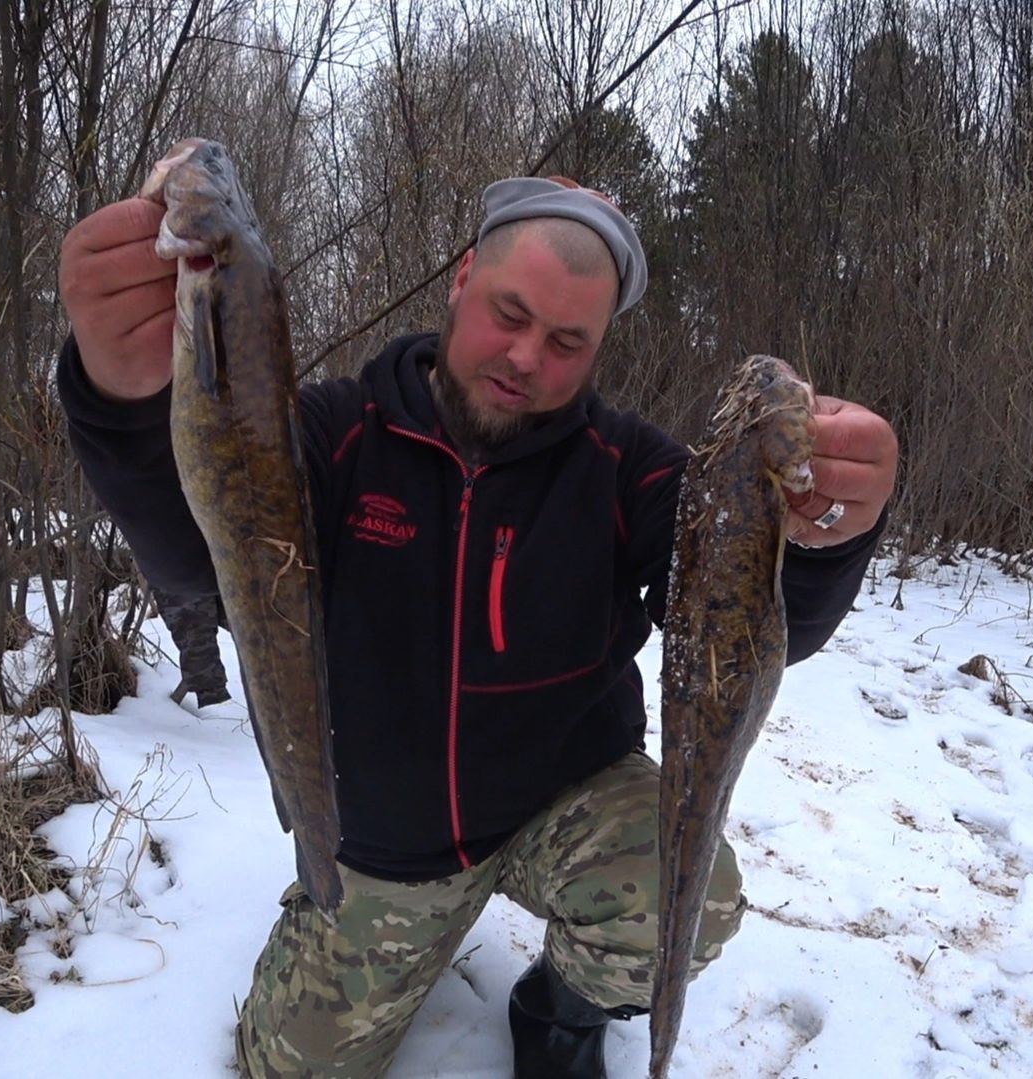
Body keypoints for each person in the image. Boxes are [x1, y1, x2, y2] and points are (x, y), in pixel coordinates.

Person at [56, 173, 898, 1078]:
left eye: (567, 339)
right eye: (509, 312)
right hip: (384, 850)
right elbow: (201, 551)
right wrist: (126, 397)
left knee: (690, 897)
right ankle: (338, 918)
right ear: (461, 278)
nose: (526, 356)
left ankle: (561, 1010)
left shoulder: (633, 471)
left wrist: (823, 537)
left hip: (561, 807)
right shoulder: (334, 433)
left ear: (599, 345)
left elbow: (743, 633)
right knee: (288, 1069)